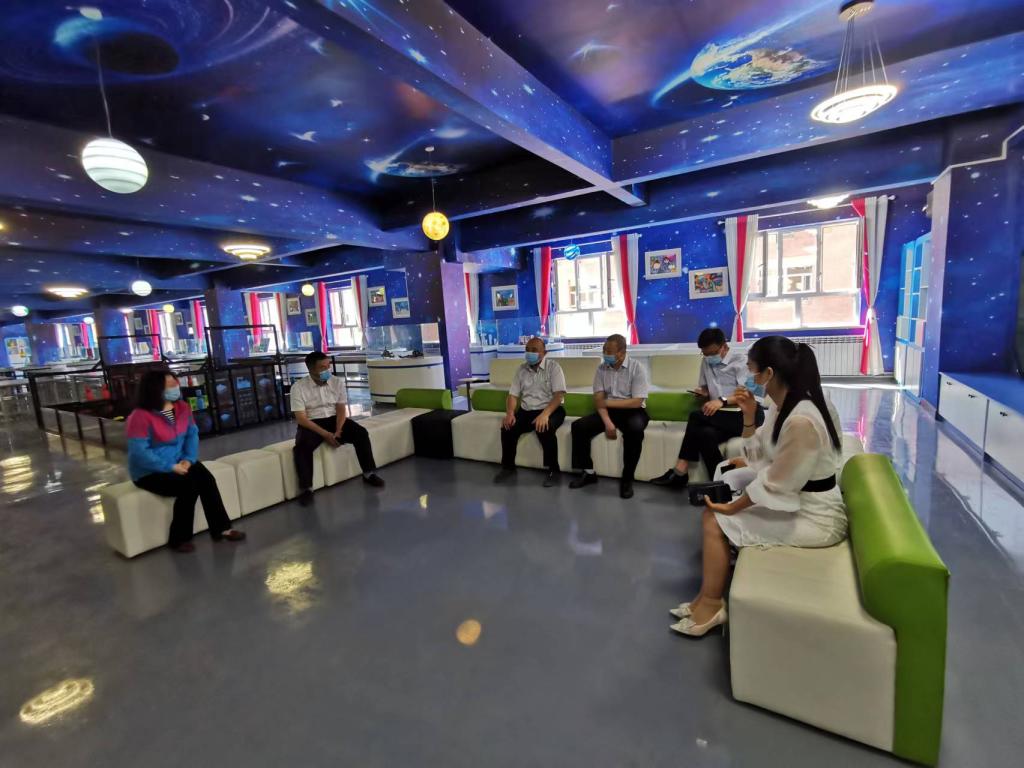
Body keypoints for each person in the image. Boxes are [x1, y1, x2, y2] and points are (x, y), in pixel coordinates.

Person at [669, 336, 847, 638]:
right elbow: (760, 453)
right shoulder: (783, 403)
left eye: (752, 370)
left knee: (714, 519)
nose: (749, 377)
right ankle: (703, 599)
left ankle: (712, 606)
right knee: (729, 477)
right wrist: (749, 415)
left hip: (816, 516)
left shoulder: (802, 419)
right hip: (798, 496)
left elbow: (776, 484)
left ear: (769, 374)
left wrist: (732, 508)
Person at [128, 370, 245, 553]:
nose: (176, 387)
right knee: (188, 487)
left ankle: (222, 528)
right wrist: (170, 467)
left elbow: (192, 435)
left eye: (175, 383)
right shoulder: (140, 416)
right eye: (170, 385)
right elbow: (139, 452)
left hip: (180, 461)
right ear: (155, 389)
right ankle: (179, 538)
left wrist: (188, 459)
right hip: (150, 471)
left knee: (207, 479)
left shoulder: (182, 408)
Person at [652, 327, 764, 489]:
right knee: (705, 434)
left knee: (696, 416)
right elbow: (705, 387)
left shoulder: (741, 362)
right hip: (721, 418)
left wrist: (722, 401)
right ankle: (722, 484)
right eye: (705, 354)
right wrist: (703, 393)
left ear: (724, 346)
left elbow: (748, 395)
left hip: (746, 415)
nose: (709, 357)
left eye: (713, 353)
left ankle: (680, 470)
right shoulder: (706, 362)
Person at [291, 351, 383, 506]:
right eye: (322, 367)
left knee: (361, 433)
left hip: (334, 419)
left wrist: (339, 429)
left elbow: (340, 408)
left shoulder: (336, 382)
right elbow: (301, 418)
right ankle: (307, 488)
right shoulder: (298, 387)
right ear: (311, 369)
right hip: (312, 423)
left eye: (328, 366)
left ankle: (369, 473)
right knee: (301, 447)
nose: (327, 370)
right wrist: (326, 434)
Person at [569, 333, 650, 499]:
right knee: (578, 426)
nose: (605, 354)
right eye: (604, 350)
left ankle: (627, 479)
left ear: (622, 352)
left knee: (635, 431)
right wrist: (608, 422)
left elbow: (636, 402)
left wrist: (607, 403)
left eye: (609, 351)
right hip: (609, 411)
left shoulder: (637, 368)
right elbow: (598, 399)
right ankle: (588, 472)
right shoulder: (601, 369)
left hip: (633, 411)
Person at [494, 337, 567, 487]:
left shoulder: (554, 368)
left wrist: (545, 415)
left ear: (544, 353)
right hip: (526, 410)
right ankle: (508, 467)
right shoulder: (521, 369)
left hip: (552, 409)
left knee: (545, 428)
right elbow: (513, 395)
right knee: (507, 428)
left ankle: (554, 471)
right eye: (527, 350)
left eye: (534, 350)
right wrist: (510, 413)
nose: (529, 353)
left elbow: (558, 396)